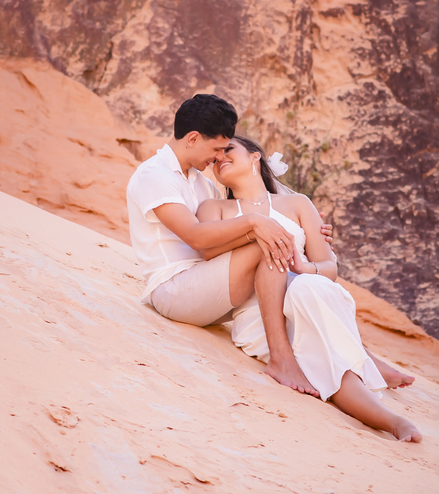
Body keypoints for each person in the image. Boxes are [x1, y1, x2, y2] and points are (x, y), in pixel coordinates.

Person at [197, 135, 421, 442]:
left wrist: (305, 269)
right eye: (216, 155)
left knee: (308, 290)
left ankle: (391, 418)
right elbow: (207, 250)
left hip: (312, 297)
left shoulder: (298, 204)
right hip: (261, 316)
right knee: (322, 352)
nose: (221, 157)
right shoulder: (214, 208)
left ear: (254, 157)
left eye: (229, 150)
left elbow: (330, 268)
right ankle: (386, 410)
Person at [126, 94, 318, 396]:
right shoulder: (154, 176)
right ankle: (281, 359)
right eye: (216, 149)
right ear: (192, 138)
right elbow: (197, 237)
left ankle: (350, 361)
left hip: (209, 286)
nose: (218, 158)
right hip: (173, 290)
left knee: (292, 281)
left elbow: (225, 233)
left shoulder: (201, 184)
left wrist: (306, 231)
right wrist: (256, 223)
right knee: (262, 247)